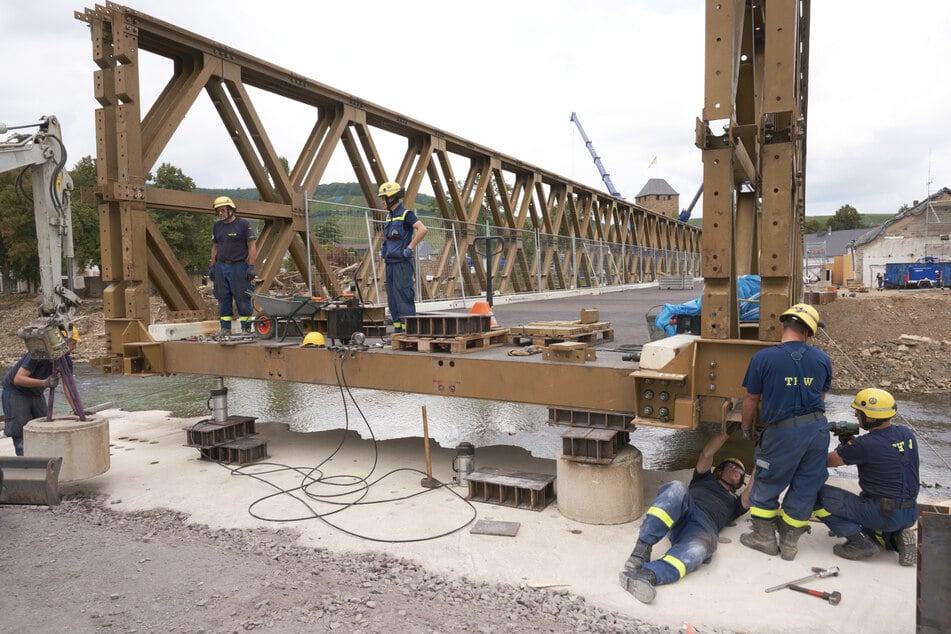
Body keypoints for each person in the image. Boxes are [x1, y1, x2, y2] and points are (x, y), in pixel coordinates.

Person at [739, 303, 832, 561]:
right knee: (806, 484)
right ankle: (790, 543)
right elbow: (820, 397)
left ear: (783, 326)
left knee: (767, 483)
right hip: (817, 430)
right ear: (809, 333)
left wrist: (747, 427)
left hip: (783, 433)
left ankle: (764, 538)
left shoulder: (763, 358)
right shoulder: (822, 359)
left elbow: (750, 398)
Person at [618, 428, 751, 604]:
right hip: (686, 507)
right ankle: (641, 551)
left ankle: (645, 576)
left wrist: (763, 457)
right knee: (676, 488)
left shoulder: (735, 503)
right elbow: (706, 454)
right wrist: (726, 431)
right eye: (731, 466)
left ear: (741, 481)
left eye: (739, 471)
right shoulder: (704, 479)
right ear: (719, 470)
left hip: (704, 528)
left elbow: (751, 492)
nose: (735, 470)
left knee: (698, 550)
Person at [814, 388, 919, 566]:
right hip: (909, 512)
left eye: (858, 412)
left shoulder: (864, 444)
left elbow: (828, 461)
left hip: (881, 513)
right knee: (871, 511)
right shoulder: (906, 433)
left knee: (812, 494)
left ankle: (858, 542)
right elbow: (882, 452)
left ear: (869, 418)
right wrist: (849, 444)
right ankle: (895, 537)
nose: (855, 414)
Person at [2, 326, 80, 456]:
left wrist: (77, 409)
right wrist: (45, 383)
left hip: (35, 393)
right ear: (61, 341)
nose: (75, 347)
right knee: (20, 430)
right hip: (16, 392)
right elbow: (19, 379)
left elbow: (69, 386)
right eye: (73, 342)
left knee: (44, 426)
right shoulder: (37, 354)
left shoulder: (65, 360)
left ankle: (44, 461)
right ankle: (27, 464)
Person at [378, 182, 427, 335]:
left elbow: (422, 229)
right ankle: (399, 330)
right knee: (392, 298)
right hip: (390, 263)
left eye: (384, 198)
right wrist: (384, 250)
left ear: (392, 198)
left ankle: (410, 331)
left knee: (403, 296)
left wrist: (409, 248)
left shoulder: (406, 214)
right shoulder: (389, 217)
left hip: (402, 263)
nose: (382, 201)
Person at [209, 196, 257, 337]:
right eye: (218, 211)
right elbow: (215, 248)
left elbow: (252, 245)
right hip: (221, 267)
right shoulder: (217, 226)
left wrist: (251, 266)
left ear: (231, 210)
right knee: (223, 299)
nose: (220, 213)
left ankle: (246, 328)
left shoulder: (243, 224)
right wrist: (212, 266)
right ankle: (225, 329)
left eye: (223, 210)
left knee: (242, 299)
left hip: (239, 266)